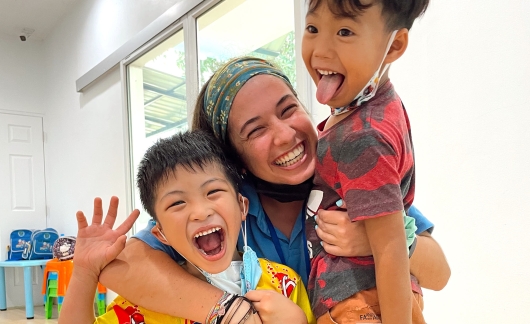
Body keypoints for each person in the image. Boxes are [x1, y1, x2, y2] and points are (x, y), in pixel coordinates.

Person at [97, 57, 450, 323]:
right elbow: (124, 266)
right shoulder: (227, 208)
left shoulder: (350, 173)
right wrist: (230, 312)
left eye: (289, 109)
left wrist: (381, 239)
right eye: (255, 131)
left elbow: (440, 273)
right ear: (235, 161)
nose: (284, 135)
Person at [59, 131, 315, 324]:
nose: (201, 212)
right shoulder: (147, 302)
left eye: (213, 191)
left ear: (242, 207)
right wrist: (83, 274)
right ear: (160, 234)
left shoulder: (285, 285)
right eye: (178, 202)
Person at [302, 0, 432, 323]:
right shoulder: (373, 108)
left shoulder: (363, 135)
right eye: (312, 28)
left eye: (344, 31)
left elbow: (390, 249)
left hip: (360, 301)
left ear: (394, 46)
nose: (321, 49)